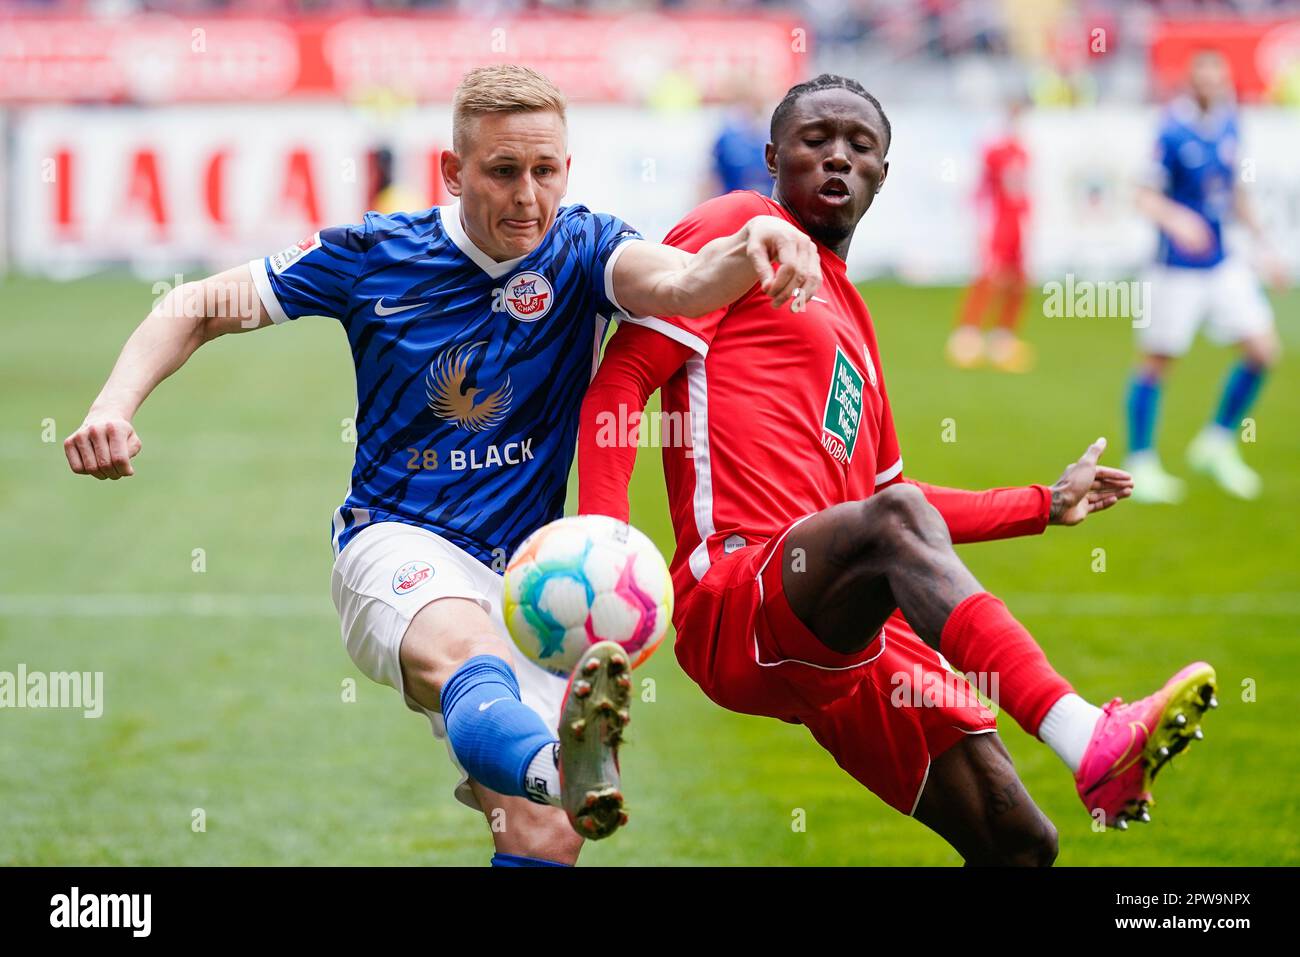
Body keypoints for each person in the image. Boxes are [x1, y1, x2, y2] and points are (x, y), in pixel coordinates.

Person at [64, 65, 821, 866]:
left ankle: (549, 778)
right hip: (395, 544)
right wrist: (113, 406)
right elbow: (196, 305)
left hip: (528, 582)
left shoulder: (585, 245)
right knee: (469, 659)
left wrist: (749, 249)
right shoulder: (374, 254)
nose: (528, 195)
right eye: (503, 172)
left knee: (547, 832)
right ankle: (553, 764)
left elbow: (679, 281)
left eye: (546, 170)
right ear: (453, 172)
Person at [578, 74, 1218, 864]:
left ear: (885, 172)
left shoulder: (858, 325)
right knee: (890, 530)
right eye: (816, 141)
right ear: (773, 156)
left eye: (861, 145)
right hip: (736, 596)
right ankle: (1088, 733)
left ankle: (1093, 767)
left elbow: (892, 499)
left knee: (1018, 841)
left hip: (848, 627)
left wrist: (1042, 503)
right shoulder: (742, 227)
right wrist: (604, 555)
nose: (838, 157)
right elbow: (620, 381)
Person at [1126, 50, 1286, 503]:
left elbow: (1234, 191)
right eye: (1203, 77)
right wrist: (1177, 219)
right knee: (1158, 362)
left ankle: (1216, 441)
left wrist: (1264, 248)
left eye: (1218, 76)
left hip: (1222, 261)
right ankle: (1141, 462)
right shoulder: (1170, 130)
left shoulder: (1231, 124)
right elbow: (1142, 195)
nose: (1212, 84)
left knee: (1263, 350)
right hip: (1174, 268)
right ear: (1189, 81)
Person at [947, 98, 1034, 373]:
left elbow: (1023, 190)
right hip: (998, 223)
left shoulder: (1024, 151)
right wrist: (977, 222)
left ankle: (1003, 338)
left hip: (1017, 223)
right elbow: (981, 187)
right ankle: (967, 334)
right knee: (989, 275)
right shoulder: (994, 150)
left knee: (1019, 280)